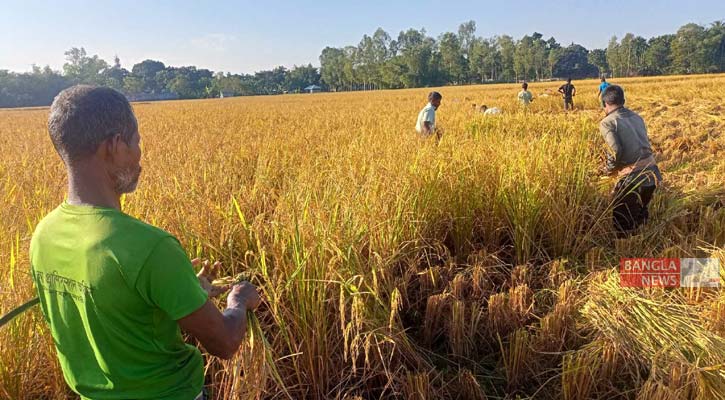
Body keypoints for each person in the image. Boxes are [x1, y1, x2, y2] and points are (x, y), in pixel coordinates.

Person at [31, 85, 262, 400]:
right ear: (114, 145)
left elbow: (115, 315)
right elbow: (223, 343)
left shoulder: (44, 235)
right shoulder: (150, 247)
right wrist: (239, 300)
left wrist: (188, 294)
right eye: (136, 141)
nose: (139, 154)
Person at [599, 85, 662, 235]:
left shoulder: (607, 122)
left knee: (622, 222)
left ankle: (626, 252)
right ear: (623, 100)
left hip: (633, 177)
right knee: (640, 214)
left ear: (605, 104)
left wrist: (608, 170)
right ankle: (644, 246)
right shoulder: (637, 117)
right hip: (652, 174)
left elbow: (615, 150)